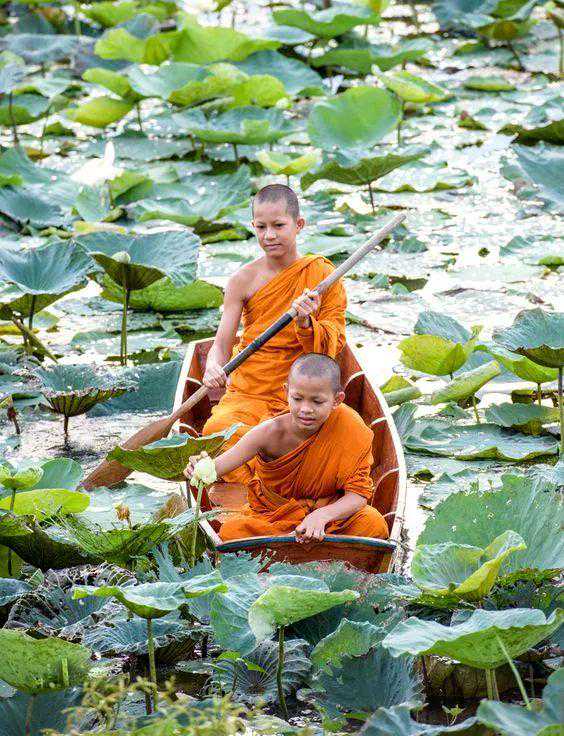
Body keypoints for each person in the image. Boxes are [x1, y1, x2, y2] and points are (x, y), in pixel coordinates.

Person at [200, 183, 346, 484]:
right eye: (261, 227)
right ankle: (267, 481)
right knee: (216, 431)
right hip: (250, 389)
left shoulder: (322, 276)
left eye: (279, 225)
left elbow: (333, 345)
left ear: (298, 224)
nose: (269, 235)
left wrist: (306, 324)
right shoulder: (242, 280)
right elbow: (221, 344)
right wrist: (213, 366)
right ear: (253, 226)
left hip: (302, 390)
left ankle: (272, 473)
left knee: (312, 436)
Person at [184, 353, 389, 544]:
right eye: (297, 399)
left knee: (374, 524)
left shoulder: (350, 427)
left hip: (329, 517)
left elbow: (358, 495)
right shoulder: (269, 432)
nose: (305, 409)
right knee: (232, 533)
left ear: (337, 400)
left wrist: (321, 516)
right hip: (274, 518)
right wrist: (198, 469)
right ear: (286, 393)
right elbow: (217, 467)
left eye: (317, 401)